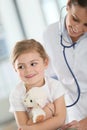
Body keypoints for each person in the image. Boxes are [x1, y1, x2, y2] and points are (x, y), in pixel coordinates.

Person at [43, 0, 87, 129]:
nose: (78, 28)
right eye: (75, 18)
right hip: (72, 115)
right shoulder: (50, 34)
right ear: (67, 6)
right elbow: (50, 78)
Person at [9, 39, 66, 130]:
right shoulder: (16, 93)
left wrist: (31, 125)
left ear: (45, 63)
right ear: (15, 69)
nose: (28, 70)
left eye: (33, 64)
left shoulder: (55, 86)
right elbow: (22, 126)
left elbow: (60, 120)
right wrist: (48, 111)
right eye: (21, 67)